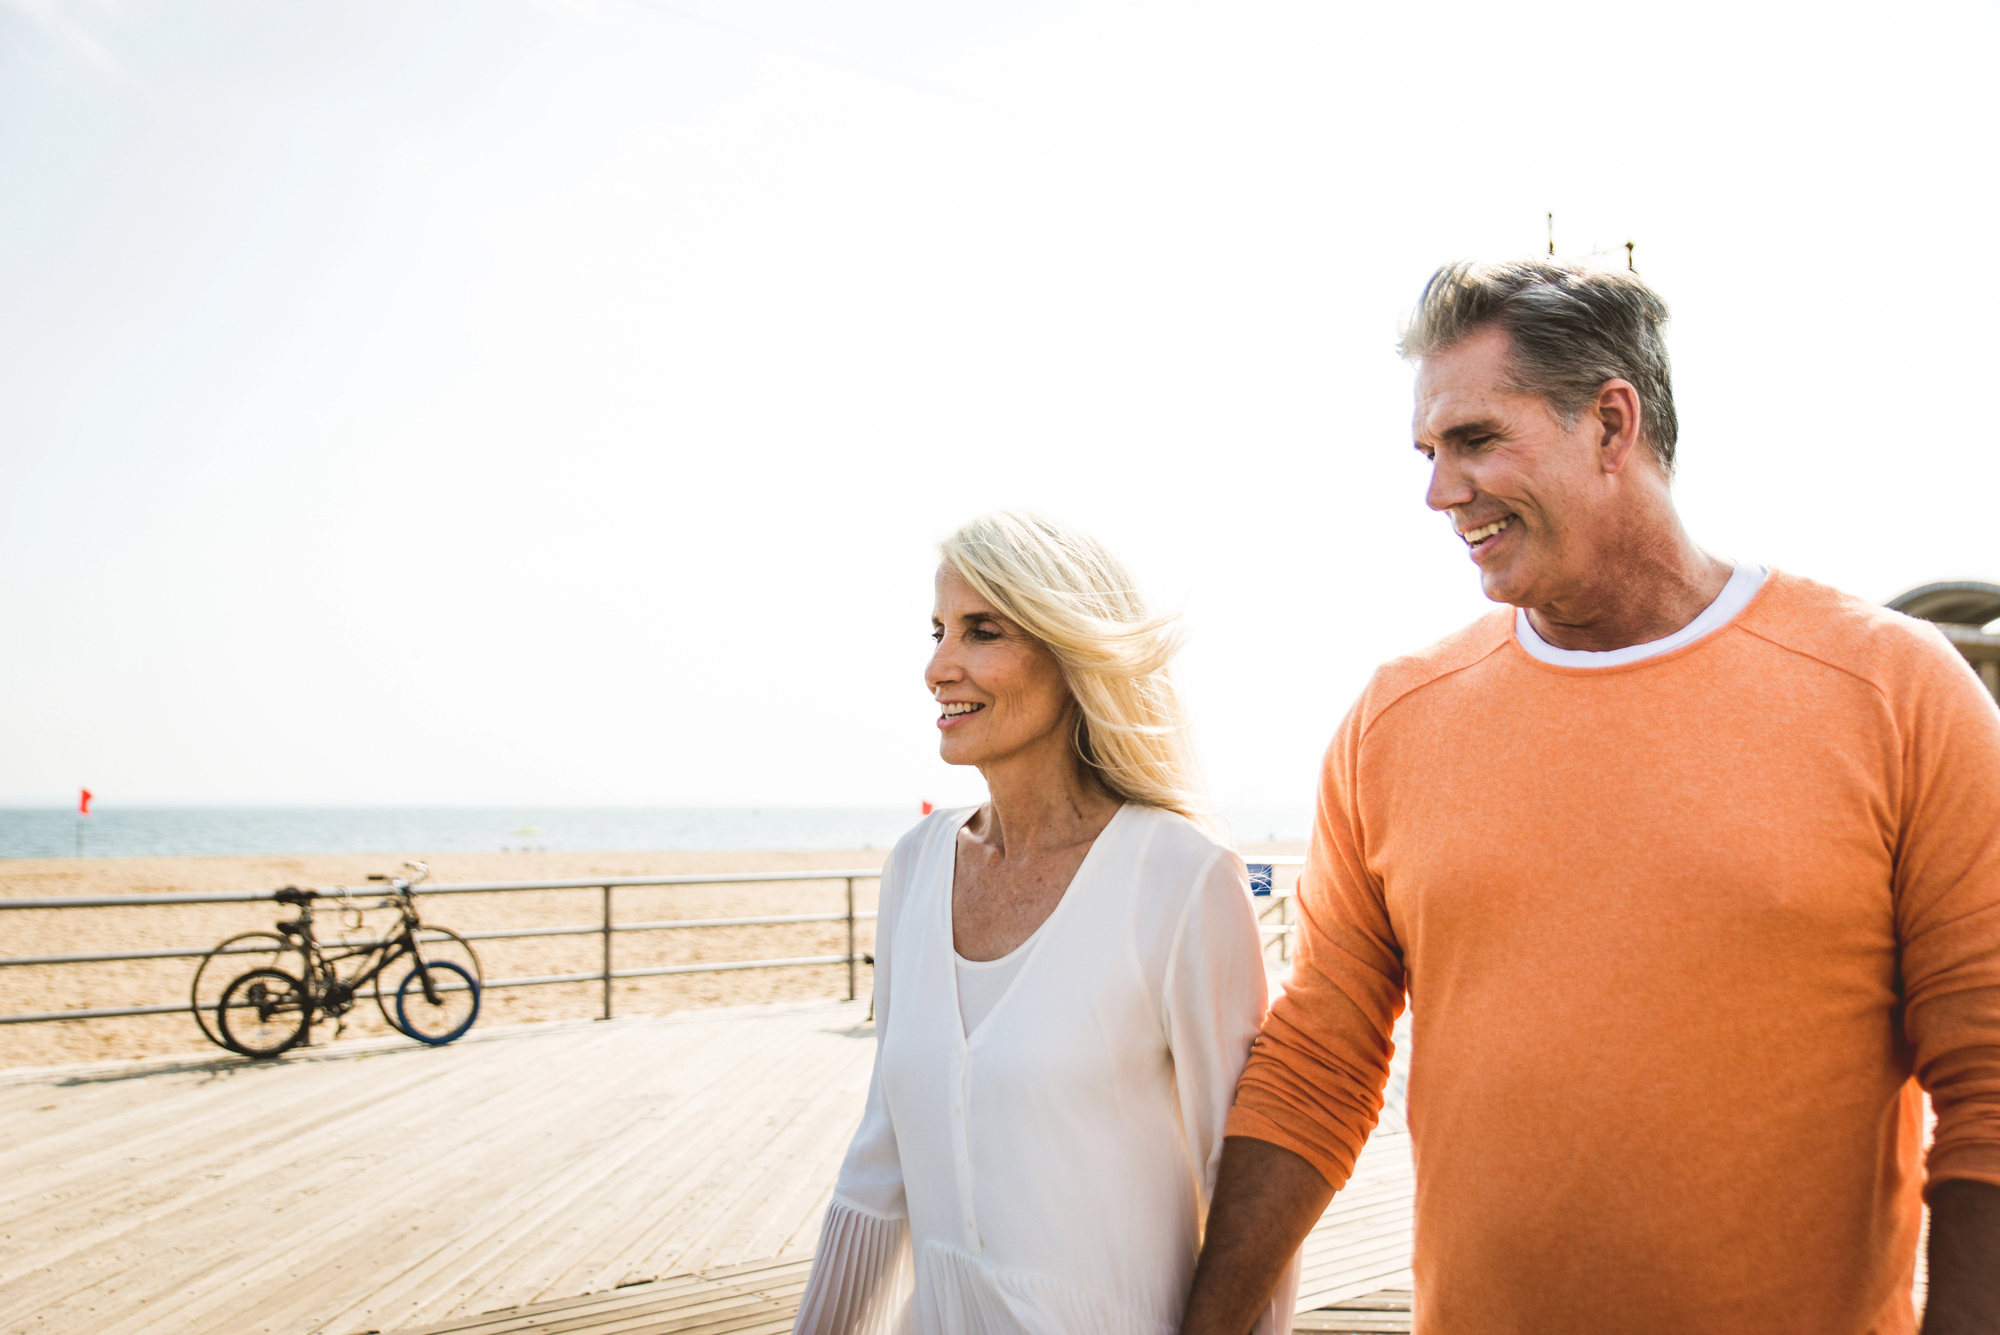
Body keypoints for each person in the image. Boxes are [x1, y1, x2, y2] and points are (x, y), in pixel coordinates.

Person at [1179, 260, 2000, 1335]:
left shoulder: (1891, 689)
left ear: (1610, 425)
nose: (1438, 491)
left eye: (1475, 440)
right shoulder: (1395, 717)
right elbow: (1318, 1062)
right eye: (1428, 453)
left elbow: (1984, 1074)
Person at [791, 511, 1299, 1335]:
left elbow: (1241, 1188)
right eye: (937, 630)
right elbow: (879, 1154)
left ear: (1073, 654)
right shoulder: (916, 865)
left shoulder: (1180, 877)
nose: (937, 665)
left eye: (981, 631)